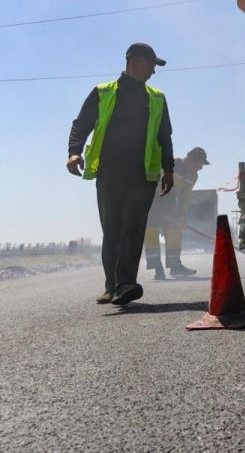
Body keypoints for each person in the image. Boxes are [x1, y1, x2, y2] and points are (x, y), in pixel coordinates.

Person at [67, 43, 174, 306]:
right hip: (109, 173)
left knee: (133, 228)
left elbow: (164, 137)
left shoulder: (157, 98)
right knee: (112, 229)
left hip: (142, 175)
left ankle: (125, 283)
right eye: (151, 66)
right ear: (134, 63)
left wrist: (168, 169)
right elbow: (81, 124)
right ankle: (112, 286)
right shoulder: (103, 92)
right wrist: (74, 152)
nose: (153, 72)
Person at [143, 147, 209, 280]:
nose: (201, 168)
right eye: (199, 164)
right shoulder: (169, 165)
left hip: (170, 202)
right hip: (152, 200)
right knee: (151, 233)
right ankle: (157, 268)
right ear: (190, 160)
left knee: (175, 231)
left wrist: (182, 214)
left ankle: (175, 266)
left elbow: (185, 197)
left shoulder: (193, 176)